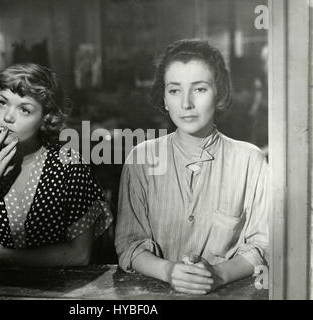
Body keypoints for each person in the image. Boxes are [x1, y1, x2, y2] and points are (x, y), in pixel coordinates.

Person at [115, 39, 269, 295]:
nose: (186, 103)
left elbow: (263, 243)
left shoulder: (249, 160)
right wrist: (169, 271)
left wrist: (218, 274)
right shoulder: (141, 159)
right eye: (174, 90)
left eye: (199, 89)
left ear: (219, 93)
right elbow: (129, 244)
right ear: (164, 98)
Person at [0, 63, 113, 270]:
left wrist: (1, 254)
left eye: (24, 109)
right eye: (3, 103)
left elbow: (79, 255)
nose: (8, 117)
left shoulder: (69, 165)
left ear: (45, 119)